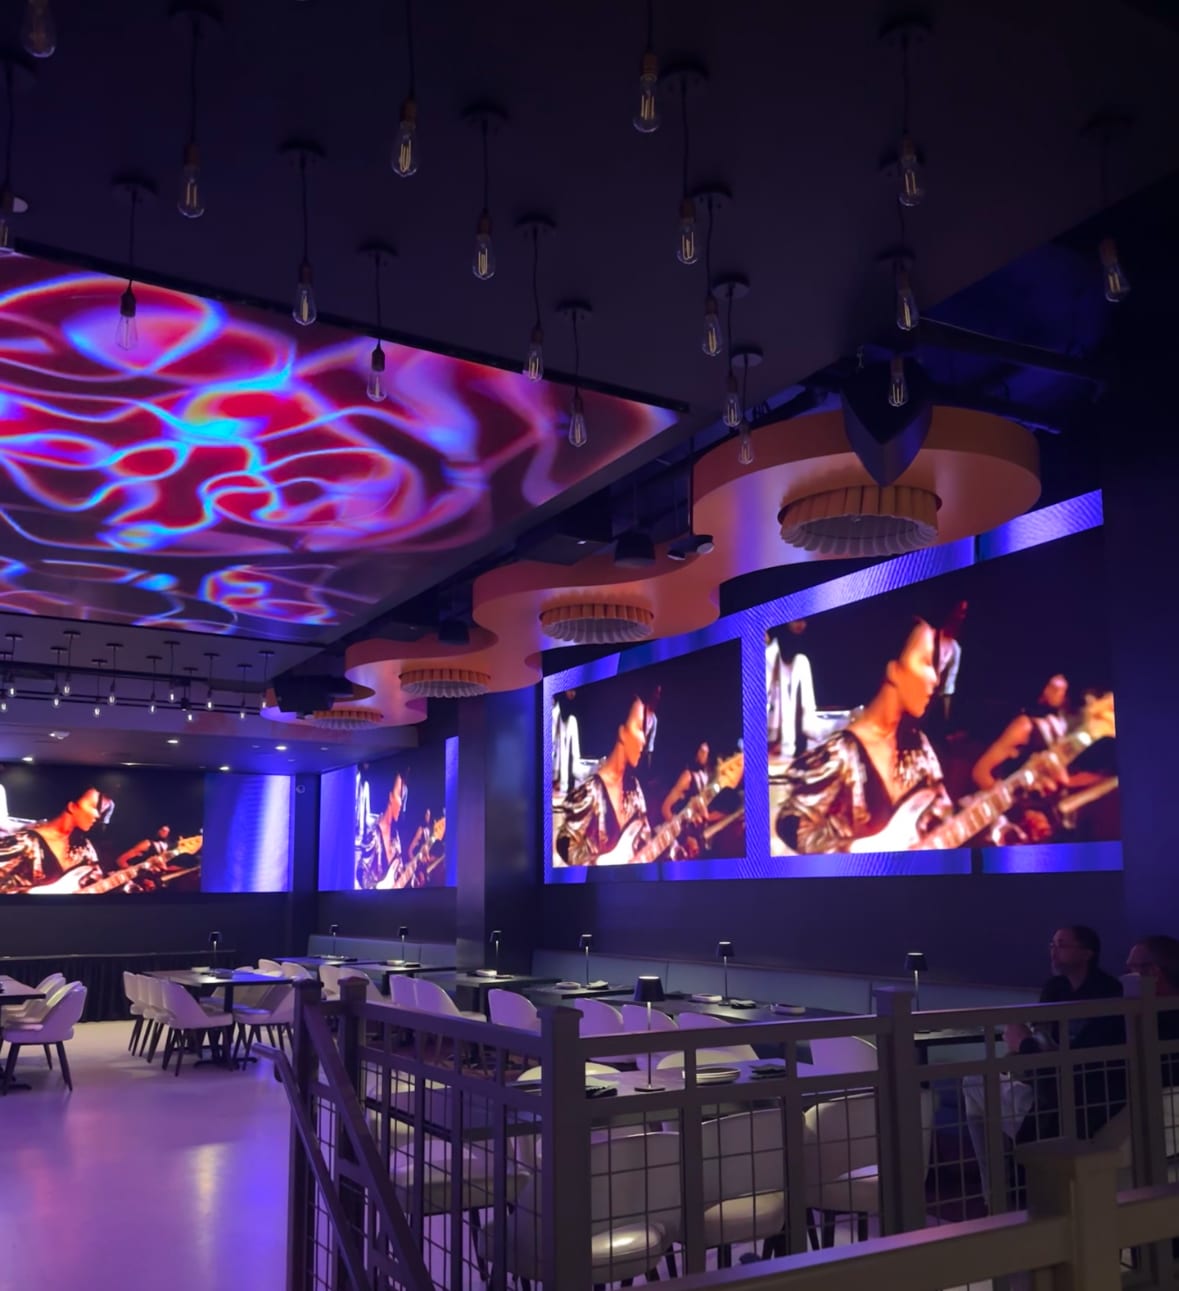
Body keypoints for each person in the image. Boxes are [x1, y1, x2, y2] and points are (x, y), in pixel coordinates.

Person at [964, 926, 1124, 1205]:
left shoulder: (1107, 993)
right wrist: (1027, 1045)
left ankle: (998, 1198)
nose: (1053, 950)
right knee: (976, 1080)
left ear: (1087, 953)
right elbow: (1045, 1041)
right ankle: (1000, 1191)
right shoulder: (1055, 988)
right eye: (1052, 944)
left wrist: (1025, 1044)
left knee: (975, 1085)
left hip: (1068, 1102)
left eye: (1062, 945)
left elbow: (1073, 1062)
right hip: (1045, 1084)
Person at [775, 617, 952, 853]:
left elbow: (943, 813)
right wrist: (857, 852)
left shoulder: (918, 746)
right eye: (927, 662)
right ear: (894, 669)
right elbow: (792, 826)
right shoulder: (840, 754)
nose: (936, 679)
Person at [556, 695, 651, 866]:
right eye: (639, 727)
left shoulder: (634, 788)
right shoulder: (589, 793)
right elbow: (565, 849)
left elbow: (646, 839)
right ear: (621, 731)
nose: (644, 739)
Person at [0, 787, 115, 893]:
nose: (98, 816)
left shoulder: (85, 847)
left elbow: (94, 881)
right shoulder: (24, 843)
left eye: (102, 811)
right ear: (72, 806)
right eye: (94, 807)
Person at [660, 741, 721, 859]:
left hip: (698, 839)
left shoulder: (705, 777)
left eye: (707, 753)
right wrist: (684, 837)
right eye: (702, 751)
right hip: (679, 841)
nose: (705, 755)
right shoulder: (687, 776)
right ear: (696, 753)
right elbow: (665, 809)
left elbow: (704, 814)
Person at [768, 623, 819, 761]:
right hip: (768, 755)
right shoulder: (767, 657)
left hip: (791, 758)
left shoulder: (801, 663)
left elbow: (809, 722)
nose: (801, 624)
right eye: (797, 620)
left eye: (804, 621)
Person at [355, 771, 407, 890]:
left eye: (403, 798)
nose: (401, 803)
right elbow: (360, 872)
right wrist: (377, 887)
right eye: (399, 795)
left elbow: (400, 872)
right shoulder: (373, 833)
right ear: (390, 796)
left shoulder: (395, 836)